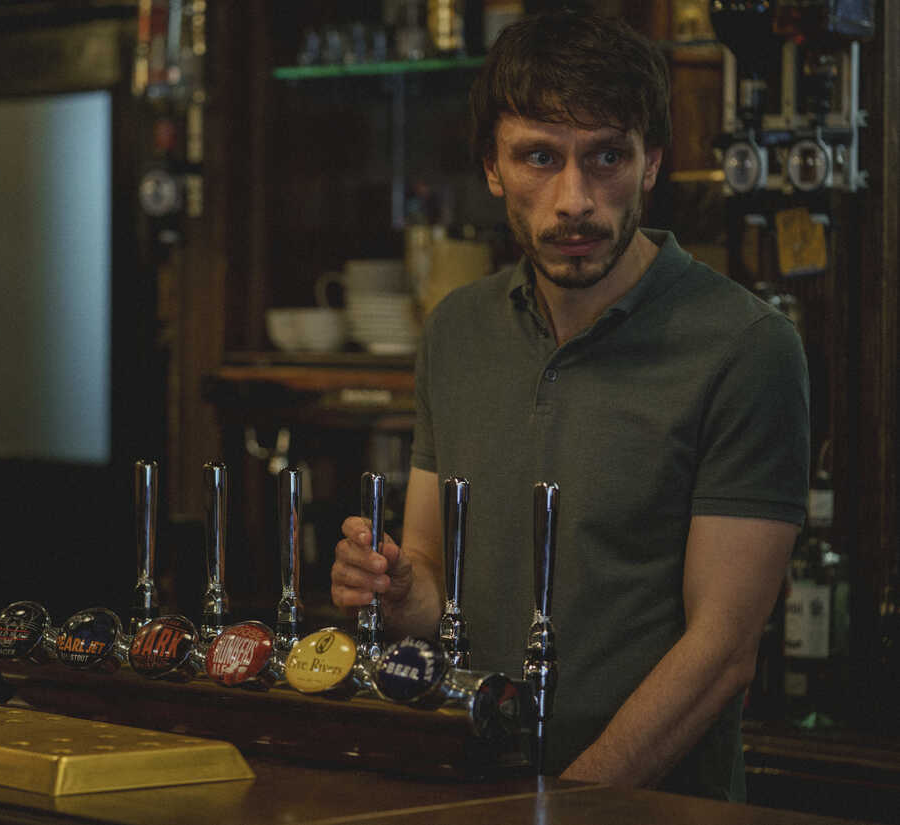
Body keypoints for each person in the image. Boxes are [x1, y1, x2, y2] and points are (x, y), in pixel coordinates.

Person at [330, 8, 809, 802]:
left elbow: (722, 650)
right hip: (465, 788)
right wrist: (398, 591)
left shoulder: (746, 347)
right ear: (492, 167)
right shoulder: (456, 329)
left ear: (653, 161)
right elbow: (431, 586)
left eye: (607, 157)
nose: (574, 199)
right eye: (540, 158)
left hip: (649, 809)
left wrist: (566, 807)